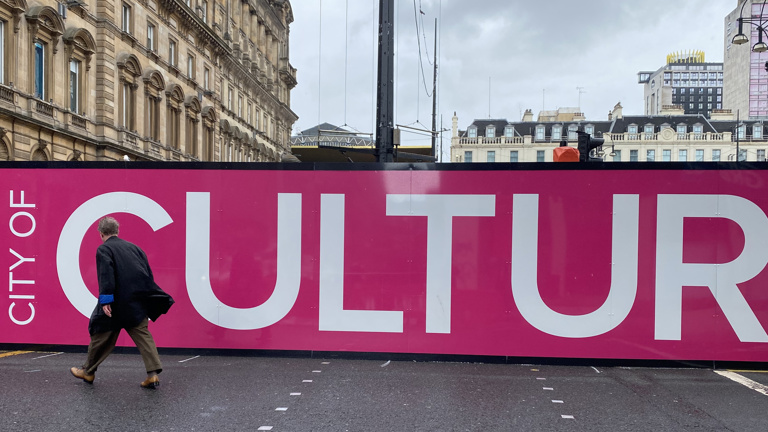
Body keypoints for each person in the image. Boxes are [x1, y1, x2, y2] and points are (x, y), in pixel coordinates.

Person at [70, 216, 174, 389]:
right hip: (136, 303)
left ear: (101, 234)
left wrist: (106, 300)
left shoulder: (104, 249)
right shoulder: (136, 248)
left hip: (116, 304)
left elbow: (106, 276)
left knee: (101, 336)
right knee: (143, 337)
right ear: (117, 231)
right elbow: (147, 274)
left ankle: (88, 372)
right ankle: (153, 375)